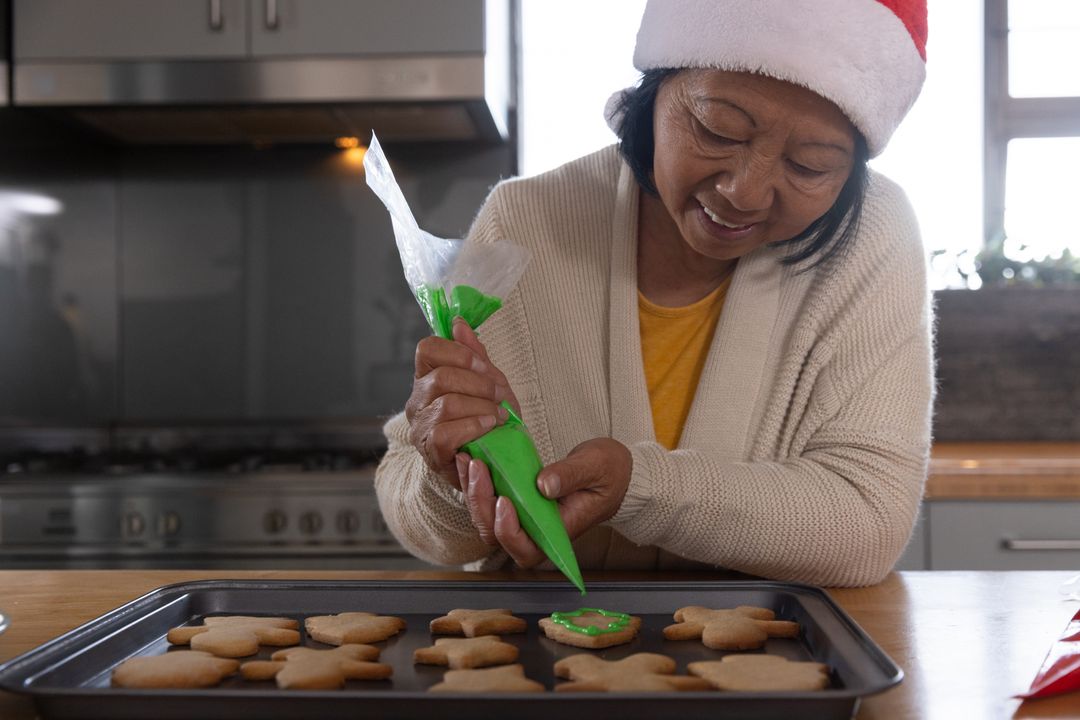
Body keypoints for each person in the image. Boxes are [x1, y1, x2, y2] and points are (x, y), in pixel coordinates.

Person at [375, 0, 933, 588]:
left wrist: (639, 488)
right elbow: (417, 510)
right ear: (654, 92)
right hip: (540, 656)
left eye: (809, 165)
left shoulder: (872, 237)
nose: (744, 192)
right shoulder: (529, 224)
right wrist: (447, 477)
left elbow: (868, 519)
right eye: (718, 130)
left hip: (779, 660)